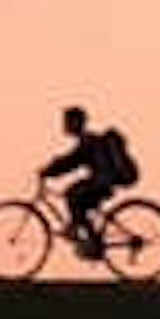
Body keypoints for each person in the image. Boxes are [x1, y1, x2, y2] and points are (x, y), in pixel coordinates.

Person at [38, 105, 139, 259]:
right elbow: (71, 161)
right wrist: (53, 168)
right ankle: (86, 236)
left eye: (68, 121)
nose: (65, 125)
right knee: (74, 197)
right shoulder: (88, 140)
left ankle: (88, 240)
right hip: (101, 182)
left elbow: (71, 161)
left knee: (73, 195)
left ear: (77, 122)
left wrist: (49, 171)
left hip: (102, 183)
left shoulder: (88, 141)